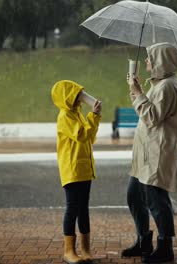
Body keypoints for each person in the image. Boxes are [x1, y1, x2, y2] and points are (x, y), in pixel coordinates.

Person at [121, 42, 177, 263]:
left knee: (157, 200)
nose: (146, 61)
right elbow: (147, 110)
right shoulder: (159, 84)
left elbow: (151, 117)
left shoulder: (167, 86)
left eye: (150, 57)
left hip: (157, 153)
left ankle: (165, 247)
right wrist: (137, 91)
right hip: (146, 153)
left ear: (160, 60)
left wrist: (138, 92)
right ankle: (143, 240)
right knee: (134, 195)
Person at [51, 80, 102, 264]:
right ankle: (69, 251)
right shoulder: (65, 116)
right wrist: (94, 116)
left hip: (84, 169)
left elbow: (90, 138)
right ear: (66, 97)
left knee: (83, 209)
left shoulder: (77, 114)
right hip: (72, 170)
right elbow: (81, 135)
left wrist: (94, 118)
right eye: (76, 95)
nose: (80, 98)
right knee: (72, 208)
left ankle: (86, 249)